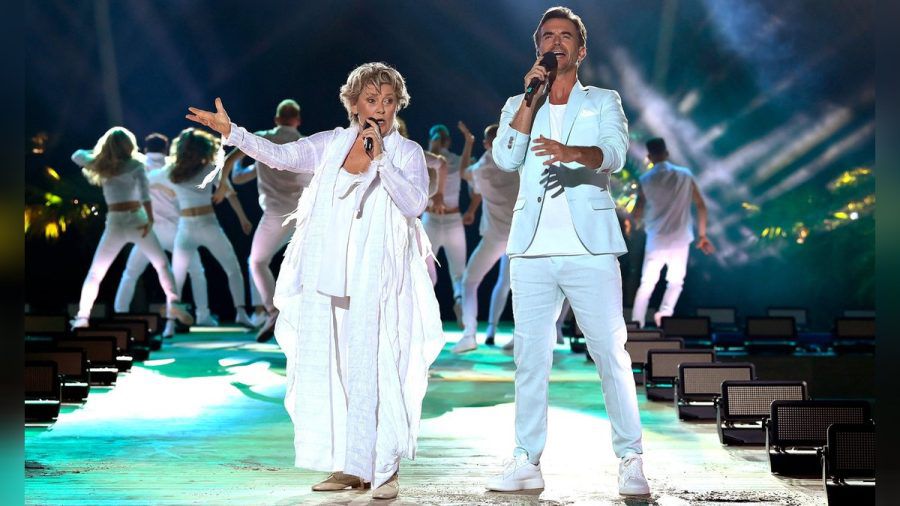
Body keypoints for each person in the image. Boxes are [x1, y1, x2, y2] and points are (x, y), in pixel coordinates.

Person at [186, 62, 444, 500]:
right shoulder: (331, 144)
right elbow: (282, 157)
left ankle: (385, 468)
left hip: (378, 277)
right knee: (339, 371)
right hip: (330, 275)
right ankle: (351, 466)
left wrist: (381, 161)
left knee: (379, 369)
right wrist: (235, 133)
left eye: (388, 101)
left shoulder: (406, 152)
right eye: (371, 99)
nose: (379, 109)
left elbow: (415, 203)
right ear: (354, 103)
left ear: (397, 105)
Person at [485, 7, 650, 497]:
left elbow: (616, 155)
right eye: (547, 36)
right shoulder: (521, 101)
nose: (556, 43)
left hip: (590, 250)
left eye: (566, 37)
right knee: (531, 360)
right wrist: (529, 104)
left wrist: (575, 153)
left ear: (581, 50)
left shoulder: (603, 101)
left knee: (610, 355)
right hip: (532, 249)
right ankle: (525, 459)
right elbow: (505, 157)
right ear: (538, 48)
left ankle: (631, 458)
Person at [69, 127, 193, 330]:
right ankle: (174, 301)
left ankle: (83, 317)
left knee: (95, 273)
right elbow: (145, 196)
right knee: (161, 264)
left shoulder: (102, 165)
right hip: (137, 220)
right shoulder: (136, 164)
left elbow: (77, 156)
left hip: (115, 223)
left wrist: (102, 154)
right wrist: (150, 220)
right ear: (129, 145)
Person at [219, 99, 311, 342]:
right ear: (298, 120)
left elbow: (231, 167)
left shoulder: (263, 139)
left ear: (277, 119)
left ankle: (272, 312)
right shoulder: (306, 144)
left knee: (257, 262)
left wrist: (223, 184)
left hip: (275, 216)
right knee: (306, 268)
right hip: (305, 217)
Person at [113, 133, 218, 331]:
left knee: (130, 274)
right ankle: (202, 314)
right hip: (176, 230)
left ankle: (120, 314)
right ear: (166, 148)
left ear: (145, 149)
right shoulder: (175, 166)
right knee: (196, 272)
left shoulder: (139, 165)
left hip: (148, 232)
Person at [166, 128, 253, 330]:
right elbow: (231, 194)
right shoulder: (205, 168)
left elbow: (154, 183)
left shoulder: (173, 171)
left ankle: (170, 324)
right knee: (232, 268)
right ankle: (240, 313)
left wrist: (242, 218)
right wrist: (243, 218)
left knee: (177, 276)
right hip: (204, 224)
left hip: (189, 227)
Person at [630, 137, 715, 328]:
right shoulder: (685, 175)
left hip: (656, 239)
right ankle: (665, 314)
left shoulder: (645, 180)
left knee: (647, 284)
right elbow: (701, 205)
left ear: (649, 157)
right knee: (676, 282)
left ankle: (636, 323)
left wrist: (638, 224)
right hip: (680, 239)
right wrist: (702, 235)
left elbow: (637, 212)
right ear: (667, 153)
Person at [452, 124, 519, 353]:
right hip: (519, 238)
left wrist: (468, 143)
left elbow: (463, 174)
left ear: (485, 144)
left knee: (470, 282)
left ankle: (470, 333)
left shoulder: (481, 169)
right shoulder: (517, 163)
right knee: (518, 287)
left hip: (495, 238)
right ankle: (519, 335)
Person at [422, 122, 467, 324]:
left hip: (445, 220)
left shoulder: (450, 160)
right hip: (437, 219)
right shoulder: (426, 158)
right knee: (427, 269)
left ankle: (457, 304)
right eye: (436, 138)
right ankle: (426, 310)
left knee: (456, 270)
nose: (437, 141)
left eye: (439, 138)